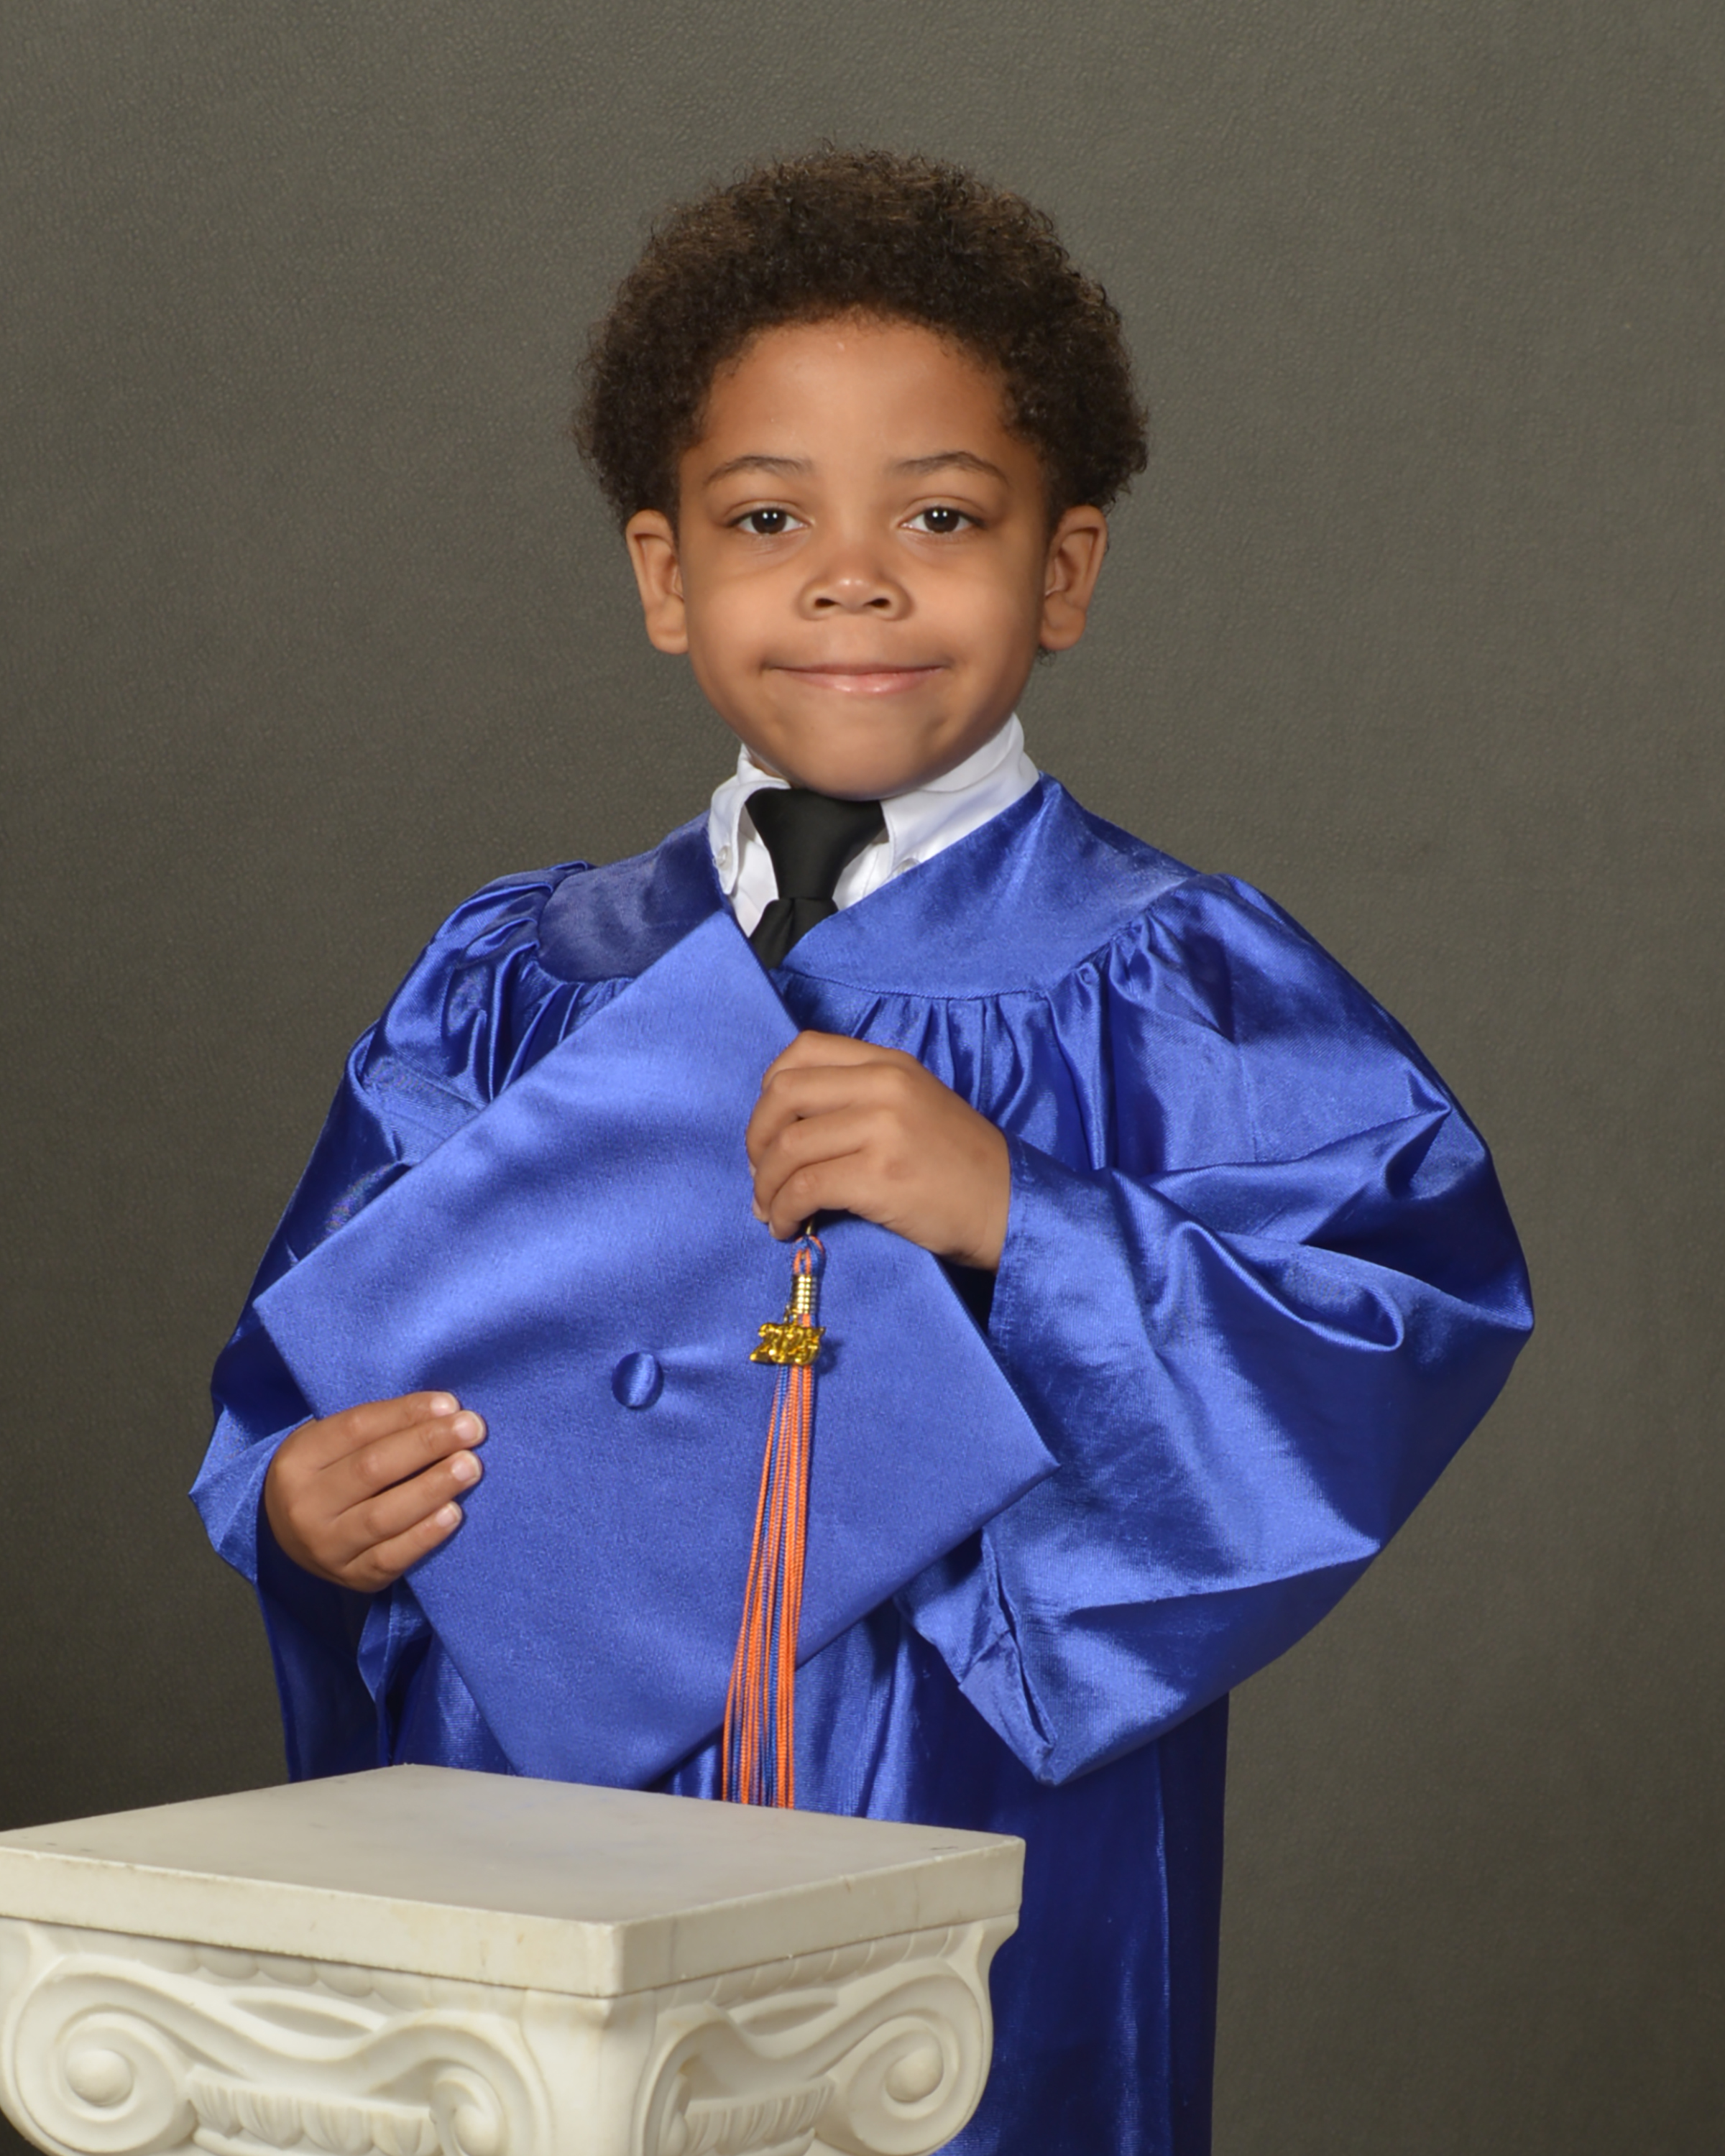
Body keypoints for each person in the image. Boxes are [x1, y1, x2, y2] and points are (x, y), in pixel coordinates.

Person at [193, 149, 1532, 2155]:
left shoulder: (1171, 986)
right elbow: (297, 1383)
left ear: (1065, 569)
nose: (854, 579)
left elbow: (1393, 1315)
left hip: (965, 1836)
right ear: (664, 575)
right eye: (768, 519)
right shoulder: (519, 980)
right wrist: (300, 1512)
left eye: (940, 515)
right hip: (541, 1837)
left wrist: (1019, 1214)